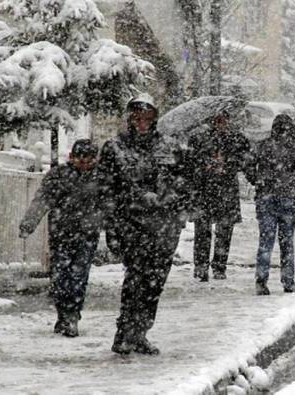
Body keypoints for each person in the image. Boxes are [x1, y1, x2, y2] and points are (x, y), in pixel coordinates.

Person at [97, 93, 187, 355]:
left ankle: (141, 332)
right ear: (130, 118)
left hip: (164, 225)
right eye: (137, 117)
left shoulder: (169, 146)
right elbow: (106, 189)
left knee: (155, 282)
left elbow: (183, 181)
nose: (142, 123)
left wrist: (170, 199)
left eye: (147, 117)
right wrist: (112, 225)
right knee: (136, 278)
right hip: (132, 224)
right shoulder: (115, 148)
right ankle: (124, 331)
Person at [19, 139, 101, 337]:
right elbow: (43, 199)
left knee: (79, 277)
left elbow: (111, 205)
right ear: (72, 157)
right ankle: (64, 313)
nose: (83, 161)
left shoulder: (102, 177)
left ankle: (72, 314)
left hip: (87, 235)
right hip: (62, 234)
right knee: (60, 276)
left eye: (88, 157)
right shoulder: (59, 175)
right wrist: (29, 222)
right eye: (79, 157)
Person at [246, 114, 295, 295]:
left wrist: (258, 181)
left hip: (266, 197)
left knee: (266, 241)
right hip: (287, 198)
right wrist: (294, 187)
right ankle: (288, 280)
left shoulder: (263, 146)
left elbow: (249, 165)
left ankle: (261, 279)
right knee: (287, 241)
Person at [186, 110, 251, 282]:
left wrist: (228, 164)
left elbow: (244, 160)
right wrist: (205, 165)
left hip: (226, 190)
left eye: (223, 120)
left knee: (224, 230)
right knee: (202, 231)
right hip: (204, 190)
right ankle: (201, 267)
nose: (221, 124)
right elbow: (189, 163)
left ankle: (219, 266)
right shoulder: (198, 139)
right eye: (217, 120)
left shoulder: (237, 139)